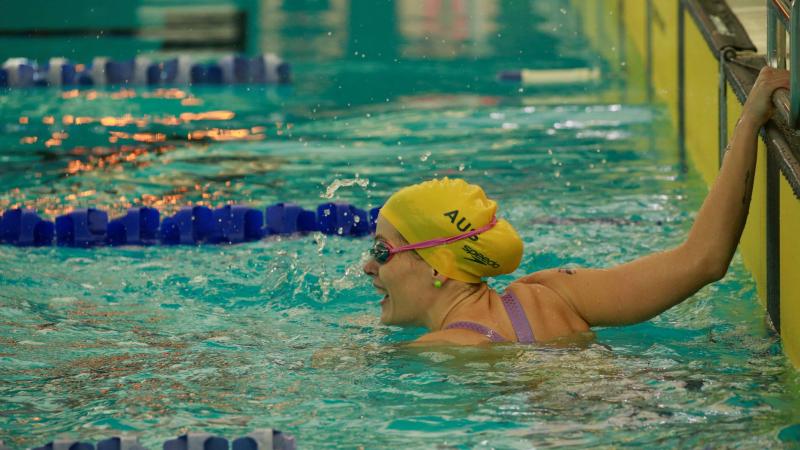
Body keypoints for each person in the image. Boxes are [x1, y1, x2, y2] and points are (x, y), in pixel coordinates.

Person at [362, 67, 791, 345]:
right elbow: (703, 260)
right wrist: (749, 118)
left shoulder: (441, 348)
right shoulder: (552, 294)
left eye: (381, 250)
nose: (368, 265)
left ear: (438, 265)